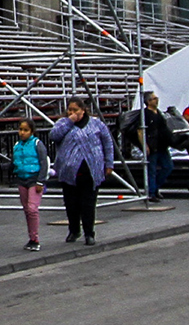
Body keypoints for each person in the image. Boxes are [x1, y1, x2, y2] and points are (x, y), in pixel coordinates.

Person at [47, 98, 114, 245]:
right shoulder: (63, 123)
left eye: (75, 110)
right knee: (71, 204)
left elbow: (107, 143)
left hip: (91, 170)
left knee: (88, 204)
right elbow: (54, 135)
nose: (72, 113)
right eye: (70, 110)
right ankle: (74, 230)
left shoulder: (96, 124)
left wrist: (109, 163)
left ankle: (89, 233)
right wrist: (70, 120)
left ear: (83, 110)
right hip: (69, 171)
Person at [10, 118, 48, 251]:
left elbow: (44, 163)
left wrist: (40, 181)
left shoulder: (37, 144)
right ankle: (31, 237)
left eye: (25, 130)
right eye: (20, 129)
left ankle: (35, 238)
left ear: (31, 131)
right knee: (26, 209)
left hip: (34, 178)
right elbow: (14, 162)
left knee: (32, 209)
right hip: (22, 178)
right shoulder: (17, 145)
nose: (22, 133)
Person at [140, 92, 174, 203]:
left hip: (162, 145)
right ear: (148, 101)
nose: (157, 100)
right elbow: (140, 130)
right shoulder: (145, 114)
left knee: (168, 167)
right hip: (152, 145)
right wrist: (144, 145)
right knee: (152, 170)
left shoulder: (159, 113)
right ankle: (151, 192)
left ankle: (155, 187)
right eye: (154, 99)